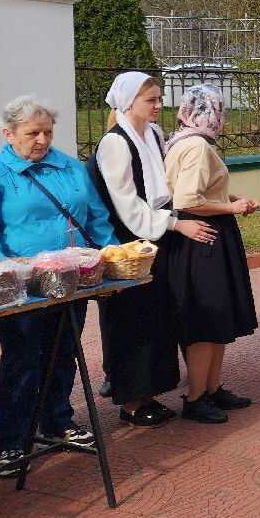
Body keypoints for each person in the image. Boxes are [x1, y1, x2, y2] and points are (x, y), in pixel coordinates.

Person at [0, 95, 118, 475]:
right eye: (33, 133)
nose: (43, 140)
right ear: (9, 134)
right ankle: (13, 441)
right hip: (22, 286)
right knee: (22, 360)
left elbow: (95, 217)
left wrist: (110, 253)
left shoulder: (70, 168)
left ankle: (58, 421)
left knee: (65, 351)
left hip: (71, 280)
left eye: (48, 131)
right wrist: (0, 270)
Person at [90, 72, 215, 428]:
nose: (160, 106)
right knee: (131, 321)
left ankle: (150, 393)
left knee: (157, 319)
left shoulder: (154, 133)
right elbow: (127, 204)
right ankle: (129, 400)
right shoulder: (115, 143)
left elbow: (162, 186)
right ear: (129, 102)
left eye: (160, 99)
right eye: (152, 100)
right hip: (129, 244)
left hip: (156, 238)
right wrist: (176, 223)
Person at [163, 84, 260, 424]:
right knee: (206, 322)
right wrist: (231, 209)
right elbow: (188, 200)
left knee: (218, 316)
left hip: (207, 234)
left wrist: (230, 199)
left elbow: (202, 189)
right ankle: (196, 397)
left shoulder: (183, 141)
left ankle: (212, 387)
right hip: (202, 237)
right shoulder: (197, 147)